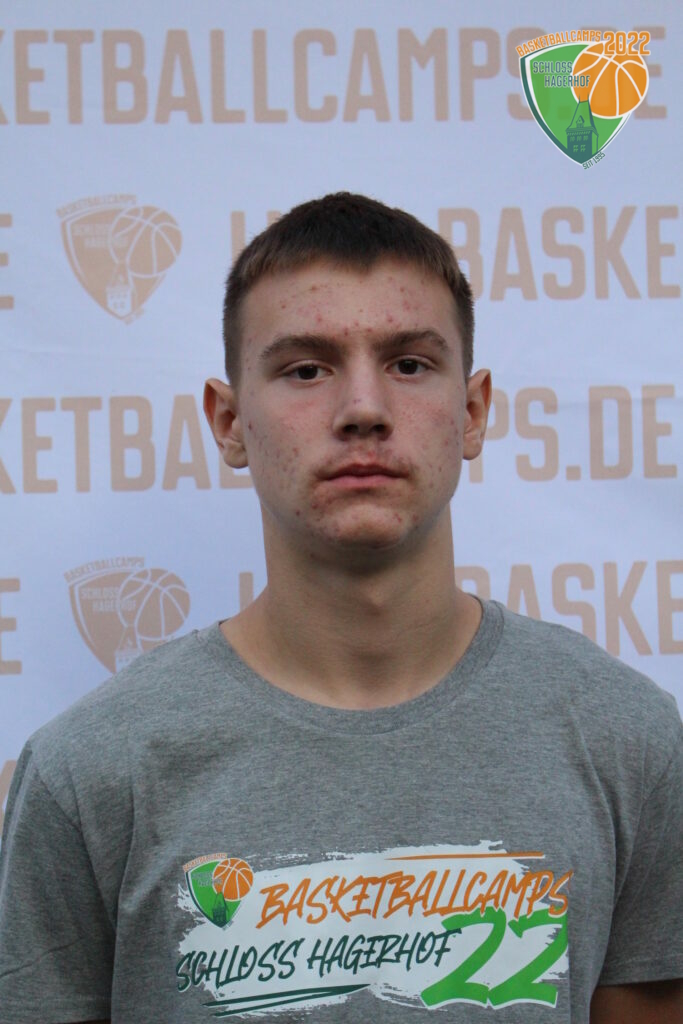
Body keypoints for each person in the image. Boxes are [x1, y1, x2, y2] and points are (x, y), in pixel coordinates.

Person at [0, 193, 680, 1024]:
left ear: (471, 412)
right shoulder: (92, 773)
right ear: (229, 421)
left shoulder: (625, 742)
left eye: (409, 364)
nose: (362, 409)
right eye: (305, 369)